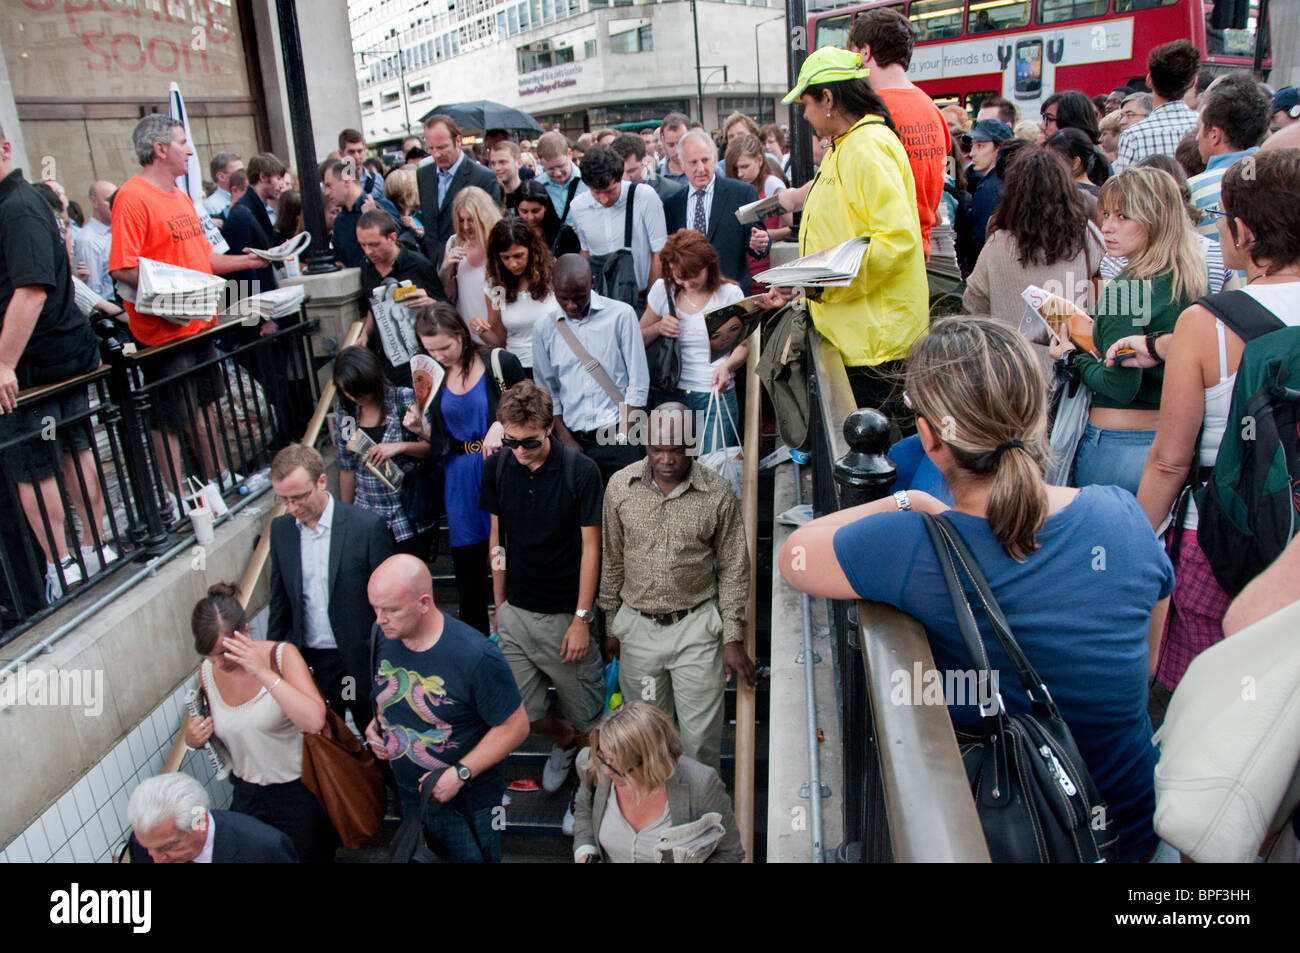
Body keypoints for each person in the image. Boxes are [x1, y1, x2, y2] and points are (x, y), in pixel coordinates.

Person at [779, 317, 1174, 863]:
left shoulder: (914, 546)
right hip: (1137, 837)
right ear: (1037, 414)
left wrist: (909, 502)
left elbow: (796, 554)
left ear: (929, 437)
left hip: (1021, 838)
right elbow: (1147, 664)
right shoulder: (1121, 514)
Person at [1109, 150, 1300, 712]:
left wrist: (1132, 545)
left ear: (1244, 230)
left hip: (1218, 535)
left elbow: (1170, 460)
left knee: (1199, 698)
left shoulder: (1207, 322)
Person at [764, 47, 927, 420]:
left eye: (805, 104)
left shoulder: (867, 147)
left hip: (876, 348)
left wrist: (819, 285)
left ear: (828, 99)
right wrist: (805, 284)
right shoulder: (847, 147)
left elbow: (895, 242)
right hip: (861, 340)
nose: (803, 115)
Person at [108, 115, 263, 504]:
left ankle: (218, 478)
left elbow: (203, 258)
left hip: (200, 324)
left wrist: (249, 261)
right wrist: (174, 292)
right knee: (170, 417)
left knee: (208, 403)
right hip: (163, 332)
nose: (190, 150)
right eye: (182, 142)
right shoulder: (131, 197)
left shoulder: (180, 196)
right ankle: (178, 497)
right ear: (160, 149)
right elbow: (122, 266)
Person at [600, 406, 754, 772]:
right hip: (637, 629)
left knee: (700, 743)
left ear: (693, 446)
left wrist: (732, 637)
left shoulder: (716, 492)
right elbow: (612, 560)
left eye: (676, 450)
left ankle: (702, 819)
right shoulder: (620, 486)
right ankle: (658, 816)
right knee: (650, 738)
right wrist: (609, 626)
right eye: (657, 449)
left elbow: (734, 567)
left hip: (696, 629)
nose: (666, 460)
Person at [0, 122, 114, 601]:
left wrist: (4, 364)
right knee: (71, 453)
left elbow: (31, 289)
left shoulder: (17, 207)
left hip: (34, 369)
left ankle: (67, 562)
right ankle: (88, 551)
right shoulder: (25, 202)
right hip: (55, 358)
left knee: (38, 467)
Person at [478, 380, 606, 802]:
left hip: (566, 615)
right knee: (524, 714)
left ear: (550, 427)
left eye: (529, 442)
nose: (519, 451)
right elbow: (498, 538)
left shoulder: (580, 471)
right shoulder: (498, 466)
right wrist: (499, 605)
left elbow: (593, 548)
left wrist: (582, 619)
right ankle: (564, 742)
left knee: (591, 718)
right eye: (510, 441)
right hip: (517, 611)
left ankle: (588, 801)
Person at [1050, 166, 1208, 495]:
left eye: (1123, 216)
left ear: (1155, 219)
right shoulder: (1190, 279)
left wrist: (1072, 357)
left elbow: (1120, 384)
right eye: (1105, 214)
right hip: (1173, 443)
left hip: (1116, 445)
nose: (1107, 226)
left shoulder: (1124, 290)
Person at [365, 554, 530, 863]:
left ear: (424, 603)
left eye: (391, 610)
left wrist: (460, 773)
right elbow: (383, 691)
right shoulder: (383, 635)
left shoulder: (477, 656)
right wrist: (379, 724)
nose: (379, 619)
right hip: (410, 796)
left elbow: (516, 726)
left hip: (468, 803)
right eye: (375, 608)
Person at [183, 582, 337, 863]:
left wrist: (261, 672)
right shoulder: (207, 672)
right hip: (247, 791)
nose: (219, 662)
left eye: (225, 651)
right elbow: (201, 729)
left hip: (298, 789)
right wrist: (192, 739)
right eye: (211, 655)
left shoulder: (281, 656)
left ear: (246, 632)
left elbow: (314, 720)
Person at [404, 304, 525, 635]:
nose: (439, 356)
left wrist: (503, 423)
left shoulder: (496, 362)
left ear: (461, 334)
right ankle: (476, 644)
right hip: (457, 474)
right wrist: (420, 429)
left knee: (510, 558)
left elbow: (531, 409)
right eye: (430, 350)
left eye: (445, 347)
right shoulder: (433, 377)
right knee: (469, 571)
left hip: (498, 468)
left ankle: (518, 637)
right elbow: (443, 439)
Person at [267, 444, 395, 734]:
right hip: (311, 664)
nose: (292, 507)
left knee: (381, 742)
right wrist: (273, 663)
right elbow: (280, 603)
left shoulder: (366, 528)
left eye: (299, 497)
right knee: (330, 750)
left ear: (322, 481)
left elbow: (391, 601)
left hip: (362, 661)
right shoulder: (281, 531)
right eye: (284, 499)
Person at [963, 145, 1103, 370]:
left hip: (1014, 370)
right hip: (1070, 366)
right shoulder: (1086, 236)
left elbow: (974, 301)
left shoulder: (998, 243)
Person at [572, 701, 745, 863]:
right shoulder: (593, 763)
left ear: (649, 761)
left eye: (619, 765)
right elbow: (584, 809)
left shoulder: (701, 784)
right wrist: (585, 852)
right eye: (604, 757)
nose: (606, 770)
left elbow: (731, 854)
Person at [533, 254, 650, 483]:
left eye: (579, 297)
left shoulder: (621, 315)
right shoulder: (544, 328)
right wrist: (564, 437)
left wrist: (624, 435)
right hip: (573, 439)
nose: (572, 305)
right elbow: (547, 391)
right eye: (564, 298)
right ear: (552, 287)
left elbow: (638, 381)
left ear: (593, 284)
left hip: (617, 433)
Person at [849, 8, 952, 257]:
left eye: (852, 54)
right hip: (920, 248)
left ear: (865, 51)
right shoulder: (933, 110)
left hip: (879, 254)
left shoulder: (866, 113)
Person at [639, 230, 748, 446]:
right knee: (670, 468)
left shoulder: (729, 294)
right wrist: (659, 327)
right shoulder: (664, 290)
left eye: (693, 276)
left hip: (713, 394)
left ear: (708, 266)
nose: (687, 284)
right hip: (670, 390)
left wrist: (727, 366)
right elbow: (637, 339)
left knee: (710, 469)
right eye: (680, 277)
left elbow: (743, 346)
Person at [331, 345, 435, 556]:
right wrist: (346, 515)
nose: (354, 397)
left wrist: (400, 447)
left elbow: (434, 448)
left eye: (360, 391)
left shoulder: (403, 399)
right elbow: (347, 466)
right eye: (346, 391)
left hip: (407, 513)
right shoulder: (346, 411)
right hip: (368, 513)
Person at [354, 208, 446, 388]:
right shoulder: (366, 268)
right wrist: (365, 334)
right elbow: (372, 305)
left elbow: (446, 307)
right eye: (363, 245)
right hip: (389, 363)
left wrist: (429, 302)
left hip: (422, 359)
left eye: (374, 244)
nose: (368, 251)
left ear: (392, 238)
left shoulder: (418, 264)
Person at [570, 146, 667, 310]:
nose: (604, 199)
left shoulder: (644, 196)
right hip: (602, 302)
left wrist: (652, 303)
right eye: (596, 192)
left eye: (610, 191)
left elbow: (659, 252)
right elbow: (586, 252)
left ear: (621, 176)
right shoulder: (578, 206)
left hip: (641, 299)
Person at [126, 772, 298, 863]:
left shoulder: (264, 849)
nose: (156, 859)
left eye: (168, 846)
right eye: (149, 848)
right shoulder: (145, 842)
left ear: (200, 822)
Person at [663, 131, 758, 293]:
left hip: (731, 291)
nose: (701, 168)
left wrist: (760, 243)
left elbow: (757, 239)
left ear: (714, 159)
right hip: (690, 295)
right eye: (693, 162)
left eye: (705, 160)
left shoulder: (742, 193)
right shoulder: (672, 205)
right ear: (682, 165)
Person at [1188, 73, 1271, 238]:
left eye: (1199, 129)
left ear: (1214, 135)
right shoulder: (1279, 181)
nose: (1197, 137)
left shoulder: (1193, 190)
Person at [474, 215, 557, 374]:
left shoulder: (552, 277)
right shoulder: (497, 288)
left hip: (554, 362)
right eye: (505, 257)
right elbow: (499, 339)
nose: (512, 264)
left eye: (518, 255)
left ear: (531, 250)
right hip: (518, 367)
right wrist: (481, 330)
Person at [416, 115, 501, 269]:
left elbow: (492, 230)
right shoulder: (423, 175)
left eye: (442, 147)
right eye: (431, 148)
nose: (436, 154)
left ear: (458, 141)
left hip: (470, 266)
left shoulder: (483, 178)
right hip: (435, 268)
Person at [1114, 40, 1201, 171]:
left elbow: (1124, 188)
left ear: (1149, 80)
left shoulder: (1133, 136)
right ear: (1192, 83)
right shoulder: (1203, 126)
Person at [726, 133, 791, 292]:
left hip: (765, 272)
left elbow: (793, 227)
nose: (740, 173)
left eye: (745, 166)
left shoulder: (771, 184)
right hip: (743, 273)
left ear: (759, 160)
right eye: (736, 168)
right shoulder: (736, 188)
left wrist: (764, 235)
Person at [438, 185, 501, 337]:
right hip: (465, 335)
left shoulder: (500, 243)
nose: (466, 227)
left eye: (471, 220)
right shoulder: (455, 242)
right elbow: (443, 292)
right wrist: (446, 269)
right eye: (461, 220)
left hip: (497, 336)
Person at [319, 157, 401, 270]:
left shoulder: (381, 205)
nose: (326, 192)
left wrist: (375, 218)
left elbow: (399, 249)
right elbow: (341, 261)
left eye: (329, 185)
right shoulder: (340, 221)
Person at [962, 118, 1014, 276]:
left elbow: (981, 241)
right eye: (973, 145)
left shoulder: (988, 189)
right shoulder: (1005, 180)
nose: (972, 153)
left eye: (980, 146)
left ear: (998, 149)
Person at [609, 132, 684, 208]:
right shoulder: (606, 193)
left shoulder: (672, 192)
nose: (625, 178)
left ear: (645, 160)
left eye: (632, 171)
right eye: (620, 172)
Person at [516, 178, 581, 259]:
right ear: (517, 209)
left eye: (535, 211)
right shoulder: (513, 234)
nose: (530, 217)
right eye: (524, 212)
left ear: (546, 207)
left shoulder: (564, 234)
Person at [73, 180, 115, 298]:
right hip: (109, 311)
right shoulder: (87, 240)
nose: (115, 204)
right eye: (109, 200)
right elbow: (93, 291)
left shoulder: (115, 232)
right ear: (94, 201)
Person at [534, 130, 587, 224]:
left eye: (561, 166)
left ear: (569, 154)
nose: (557, 173)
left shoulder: (587, 179)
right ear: (541, 163)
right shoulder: (537, 186)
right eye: (550, 169)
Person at [1044, 126, 1111, 198]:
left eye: (1053, 160)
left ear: (1076, 163)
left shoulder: (1067, 196)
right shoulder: (1102, 194)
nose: (1046, 165)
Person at [382, 167, 424, 250]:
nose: (421, 191)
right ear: (408, 192)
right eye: (417, 187)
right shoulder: (391, 221)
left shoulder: (419, 215)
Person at [339, 128, 385, 201]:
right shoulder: (336, 182)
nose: (357, 156)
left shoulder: (377, 179)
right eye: (351, 152)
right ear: (341, 153)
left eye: (360, 151)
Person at [201, 152, 243, 218]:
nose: (244, 176)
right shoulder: (210, 206)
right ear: (221, 177)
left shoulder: (247, 197)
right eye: (239, 172)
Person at [488, 140, 527, 212]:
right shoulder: (489, 198)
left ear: (519, 163)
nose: (497, 168)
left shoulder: (530, 193)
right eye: (493, 163)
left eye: (502, 162)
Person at [658, 112, 692, 187]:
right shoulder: (655, 177)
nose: (677, 150)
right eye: (671, 145)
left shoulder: (708, 172)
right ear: (662, 141)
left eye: (681, 143)